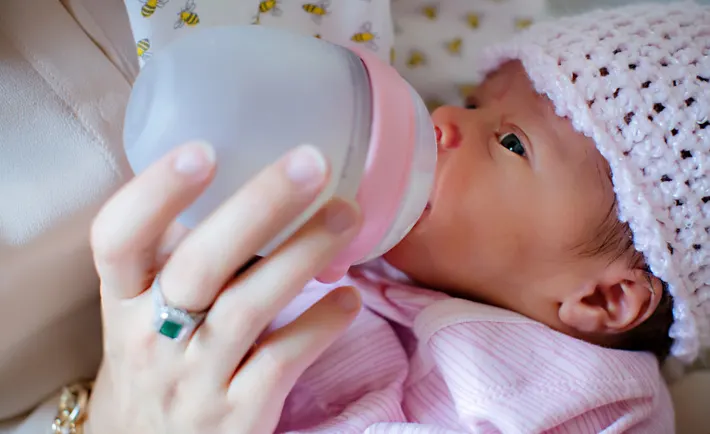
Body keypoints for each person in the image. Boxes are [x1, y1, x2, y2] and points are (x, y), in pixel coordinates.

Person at [2, 1, 709, 433]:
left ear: (605, 297)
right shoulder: (377, 244)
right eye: (472, 100)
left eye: (511, 142)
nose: (445, 119)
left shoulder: (592, 402)